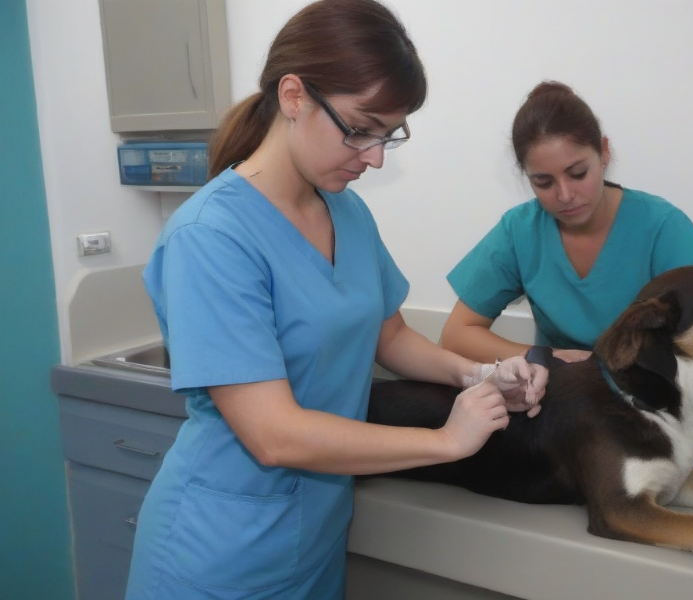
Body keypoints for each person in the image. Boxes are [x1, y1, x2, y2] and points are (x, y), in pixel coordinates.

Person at [124, 2, 547, 599]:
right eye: (361, 127)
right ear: (293, 96)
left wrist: (477, 373)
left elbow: (389, 335)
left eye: (389, 134)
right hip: (219, 552)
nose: (374, 155)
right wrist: (446, 440)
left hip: (317, 538)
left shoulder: (345, 211)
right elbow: (275, 435)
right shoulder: (211, 238)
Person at [440, 81, 693, 364]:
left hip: (651, 395)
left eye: (577, 173)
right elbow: (456, 335)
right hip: (563, 391)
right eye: (543, 182)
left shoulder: (660, 226)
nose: (565, 195)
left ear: (604, 152)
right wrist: (549, 358)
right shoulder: (519, 231)